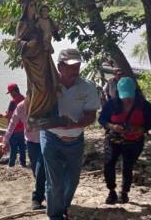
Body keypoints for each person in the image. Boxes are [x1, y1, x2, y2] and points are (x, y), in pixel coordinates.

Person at [40, 49, 100, 220]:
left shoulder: (87, 87)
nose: (76, 70)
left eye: (78, 66)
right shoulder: (47, 85)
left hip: (75, 140)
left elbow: (91, 116)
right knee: (55, 181)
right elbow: (34, 106)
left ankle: (62, 205)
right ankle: (55, 215)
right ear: (59, 67)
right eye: (71, 66)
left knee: (72, 181)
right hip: (51, 138)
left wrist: (74, 124)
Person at [98, 77, 151, 204]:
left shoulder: (144, 106)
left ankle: (124, 192)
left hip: (134, 141)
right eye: (124, 96)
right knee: (109, 164)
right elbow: (102, 120)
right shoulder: (112, 104)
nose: (127, 100)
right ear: (118, 93)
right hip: (113, 140)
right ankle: (111, 191)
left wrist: (140, 129)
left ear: (135, 92)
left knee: (127, 167)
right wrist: (113, 126)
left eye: (130, 96)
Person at [15, 0, 67, 128]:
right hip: (32, 60)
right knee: (40, 87)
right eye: (31, 5)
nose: (33, 8)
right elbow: (17, 42)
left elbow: (48, 30)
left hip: (43, 55)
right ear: (26, 8)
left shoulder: (38, 20)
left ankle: (47, 113)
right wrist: (27, 44)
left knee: (52, 82)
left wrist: (56, 29)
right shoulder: (23, 23)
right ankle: (34, 115)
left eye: (34, 5)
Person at [2, 100, 46, 210]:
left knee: (41, 169)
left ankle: (37, 198)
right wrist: (5, 140)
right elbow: (12, 123)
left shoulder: (45, 102)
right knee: (36, 171)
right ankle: (45, 193)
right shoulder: (21, 106)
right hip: (31, 142)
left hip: (47, 142)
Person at [0, 83, 26, 167]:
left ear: (14, 91)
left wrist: (2, 115)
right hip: (23, 128)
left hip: (14, 129)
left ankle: (11, 164)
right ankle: (23, 163)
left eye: (10, 93)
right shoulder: (24, 98)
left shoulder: (13, 102)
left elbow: (9, 115)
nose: (10, 95)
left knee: (13, 148)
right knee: (22, 147)